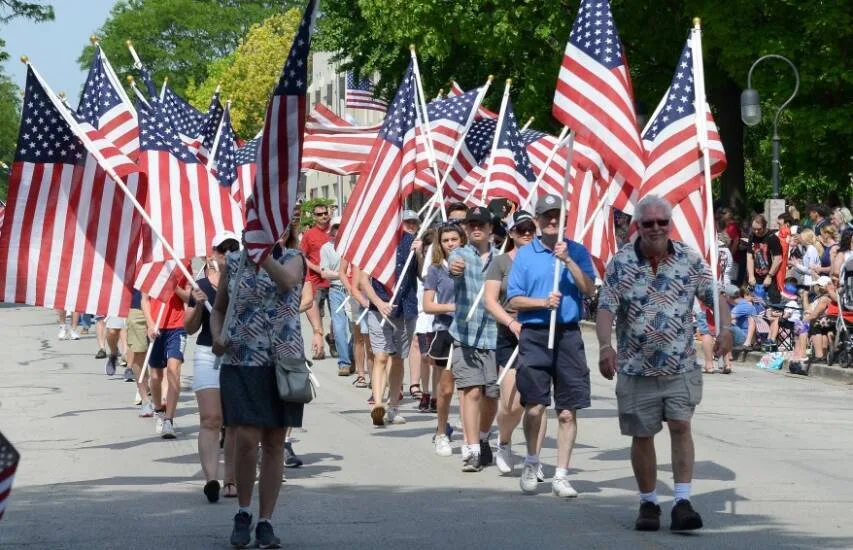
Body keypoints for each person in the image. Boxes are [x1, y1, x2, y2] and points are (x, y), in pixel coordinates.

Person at [596, 194, 733, 533]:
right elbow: (606, 308)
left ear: (670, 224)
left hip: (679, 367)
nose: (656, 228)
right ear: (637, 226)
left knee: (681, 427)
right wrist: (604, 346)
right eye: (648, 223)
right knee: (642, 436)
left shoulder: (688, 258)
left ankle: (683, 501)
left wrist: (726, 329)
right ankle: (648, 502)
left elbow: (716, 296)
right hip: (635, 369)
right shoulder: (622, 262)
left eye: (662, 222)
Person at [211, 235, 308, 549]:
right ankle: (243, 511)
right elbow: (218, 310)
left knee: (275, 441)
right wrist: (216, 336)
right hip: (241, 359)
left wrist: (262, 254)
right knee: (247, 438)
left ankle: (265, 521)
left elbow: (288, 280)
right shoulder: (234, 263)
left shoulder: (294, 257)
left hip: (282, 362)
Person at [506, 196, 596, 497]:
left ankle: (561, 475)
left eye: (557, 216)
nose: (552, 222)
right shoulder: (524, 255)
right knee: (534, 407)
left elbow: (589, 289)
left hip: (568, 334)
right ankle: (532, 461)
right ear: (538, 220)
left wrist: (567, 260)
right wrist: (542, 303)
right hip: (535, 333)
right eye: (547, 217)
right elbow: (513, 300)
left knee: (568, 411)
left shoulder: (578, 251)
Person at [483, 210, 548, 478]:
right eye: (520, 229)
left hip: (540, 334)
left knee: (538, 401)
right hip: (509, 334)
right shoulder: (500, 262)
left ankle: (534, 458)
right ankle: (505, 441)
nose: (526, 233)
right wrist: (511, 323)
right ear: (510, 233)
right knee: (512, 403)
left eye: (530, 228)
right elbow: (490, 301)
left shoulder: (546, 258)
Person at [185, 232, 239, 503]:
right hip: (208, 353)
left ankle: (231, 478)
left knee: (233, 422)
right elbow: (190, 328)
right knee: (211, 419)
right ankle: (211, 480)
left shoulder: (245, 282)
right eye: (222, 249)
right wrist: (196, 305)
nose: (227, 254)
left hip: (238, 355)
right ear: (213, 252)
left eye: (233, 248)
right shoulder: (201, 286)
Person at [447, 206, 499, 472]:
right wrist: (454, 267)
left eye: (481, 224)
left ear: (490, 229)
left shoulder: (502, 259)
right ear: (466, 229)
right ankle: (471, 449)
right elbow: (452, 268)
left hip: (494, 336)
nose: (476, 228)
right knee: (471, 391)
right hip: (465, 334)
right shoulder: (460, 255)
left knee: (491, 395)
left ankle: (482, 435)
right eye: (472, 224)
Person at [360, 217, 419, 427]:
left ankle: (394, 406)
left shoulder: (411, 241)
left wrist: (420, 252)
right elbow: (363, 280)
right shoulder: (374, 244)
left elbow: (422, 274)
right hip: (379, 310)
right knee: (381, 356)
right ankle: (378, 404)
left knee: (399, 358)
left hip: (406, 308)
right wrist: (377, 302)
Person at [142, 280, 189, 439]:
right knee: (155, 376)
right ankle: (159, 410)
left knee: (173, 370)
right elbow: (144, 299)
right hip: (155, 327)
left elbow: (189, 298)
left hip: (177, 327)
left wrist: (174, 286)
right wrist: (150, 324)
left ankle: (169, 420)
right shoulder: (150, 266)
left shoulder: (182, 265)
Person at [319, 217, 353, 377]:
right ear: (331, 230)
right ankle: (344, 362)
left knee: (355, 328)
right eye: (335, 227)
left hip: (353, 290)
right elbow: (324, 272)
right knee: (339, 327)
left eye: (341, 227)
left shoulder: (353, 245)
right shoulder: (326, 248)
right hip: (336, 290)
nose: (338, 230)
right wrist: (343, 276)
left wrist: (342, 276)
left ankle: (352, 357)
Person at [300, 203, 333, 358]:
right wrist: (317, 268)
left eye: (325, 213)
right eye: (319, 214)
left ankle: (333, 338)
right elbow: (302, 257)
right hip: (316, 282)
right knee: (317, 317)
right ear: (314, 217)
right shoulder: (309, 235)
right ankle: (319, 348)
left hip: (334, 282)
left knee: (338, 318)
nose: (323, 216)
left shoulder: (335, 232)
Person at [339, 258, 372, 390]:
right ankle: (361, 374)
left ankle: (374, 375)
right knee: (358, 338)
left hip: (372, 292)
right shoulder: (353, 246)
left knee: (371, 339)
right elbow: (341, 272)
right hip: (355, 296)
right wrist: (351, 290)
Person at [126, 289, 153, 414]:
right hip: (137, 306)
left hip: (164, 305)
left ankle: (162, 396)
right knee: (138, 353)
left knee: (163, 355)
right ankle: (144, 397)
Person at [746, 214, 783, 304]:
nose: (756, 231)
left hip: (771, 276)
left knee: (774, 302)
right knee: (754, 301)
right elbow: (750, 256)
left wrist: (769, 276)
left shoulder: (772, 238)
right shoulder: (752, 236)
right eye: (754, 229)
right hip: (756, 276)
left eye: (759, 229)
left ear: (765, 226)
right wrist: (751, 275)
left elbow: (778, 258)